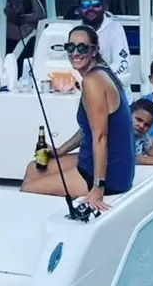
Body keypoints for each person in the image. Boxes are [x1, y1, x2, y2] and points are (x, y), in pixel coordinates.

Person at [20, 24, 136, 212]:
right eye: (70, 47)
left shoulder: (93, 82)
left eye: (82, 48)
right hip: (95, 159)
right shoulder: (99, 73)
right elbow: (88, 129)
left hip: (110, 172)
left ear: (94, 51)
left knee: (28, 189)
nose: (75, 53)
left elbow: (100, 137)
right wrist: (60, 151)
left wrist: (98, 186)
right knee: (34, 168)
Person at [0, 0, 46, 74]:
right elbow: (21, 33)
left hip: (12, 64)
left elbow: (40, 15)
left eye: (19, 3)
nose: (17, 6)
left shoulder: (18, 18)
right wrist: (31, 27)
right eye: (13, 3)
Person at [74, 0, 131, 83]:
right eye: (85, 5)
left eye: (96, 4)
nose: (91, 8)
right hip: (82, 88)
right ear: (79, 9)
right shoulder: (75, 31)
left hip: (113, 88)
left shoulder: (115, 28)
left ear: (104, 7)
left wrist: (96, 80)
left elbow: (123, 64)